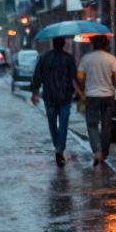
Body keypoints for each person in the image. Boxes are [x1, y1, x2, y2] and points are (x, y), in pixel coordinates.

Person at [30, 37, 80, 167]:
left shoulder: (44, 57)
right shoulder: (69, 58)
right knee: (63, 124)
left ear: (52, 43)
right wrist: (79, 92)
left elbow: (37, 77)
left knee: (52, 124)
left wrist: (34, 93)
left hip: (49, 96)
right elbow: (76, 77)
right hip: (65, 96)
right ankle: (60, 149)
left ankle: (57, 146)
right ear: (63, 44)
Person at [76, 35, 116, 165]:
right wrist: (112, 83)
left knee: (92, 124)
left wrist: (85, 84)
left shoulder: (86, 58)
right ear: (106, 44)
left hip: (91, 95)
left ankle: (97, 151)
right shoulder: (111, 59)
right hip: (108, 95)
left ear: (92, 44)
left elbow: (79, 77)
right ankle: (104, 153)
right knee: (107, 124)